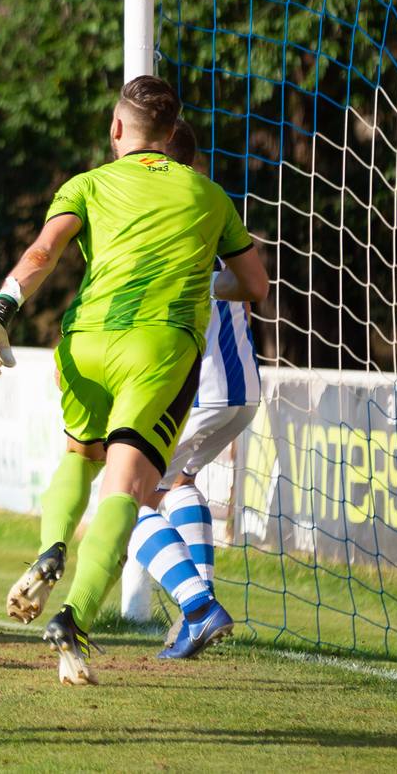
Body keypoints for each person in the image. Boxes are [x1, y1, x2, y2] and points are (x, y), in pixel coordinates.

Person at [0, 75, 268, 684]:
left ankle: (51, 545)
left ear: (116, 129)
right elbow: (255, 286)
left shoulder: (86, 185)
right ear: (173, 133)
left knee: (79, 455)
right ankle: (76, 615)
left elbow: (41, 254)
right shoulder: (210, 196)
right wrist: (201, 283)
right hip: (157, 348)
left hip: (86, 342)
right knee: (128, 488)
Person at [121, 119, 262, 656]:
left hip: (199, 386)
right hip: (241, 386)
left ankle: (197, 606)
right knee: (174, 483)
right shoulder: (214, 207)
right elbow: (249, 288)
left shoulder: (169, 211)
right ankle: (195, 614)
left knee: (123, 496)